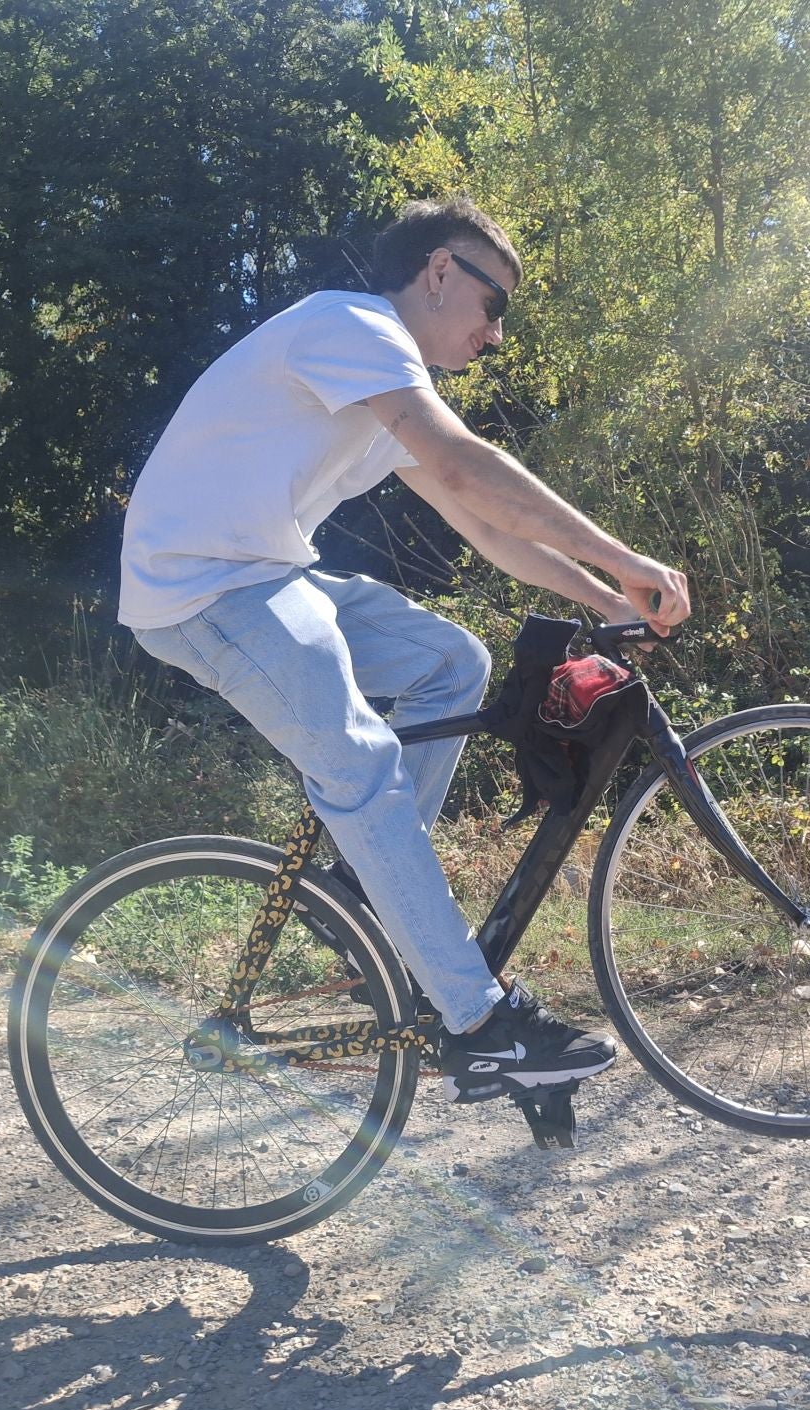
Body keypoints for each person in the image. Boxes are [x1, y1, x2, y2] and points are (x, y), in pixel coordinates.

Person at [118, 195, 691, 1102]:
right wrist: (624, 557)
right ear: (437, 273)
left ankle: (365, 887)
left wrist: (608, 595)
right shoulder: (350, 326)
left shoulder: (379, 385)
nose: (495, 335)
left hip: (264, 574)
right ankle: (481, 1022)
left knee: (450, 663)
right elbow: (467, 465)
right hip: (202, 588)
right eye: (493, 305)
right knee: (359, 758)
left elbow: (485, 525)